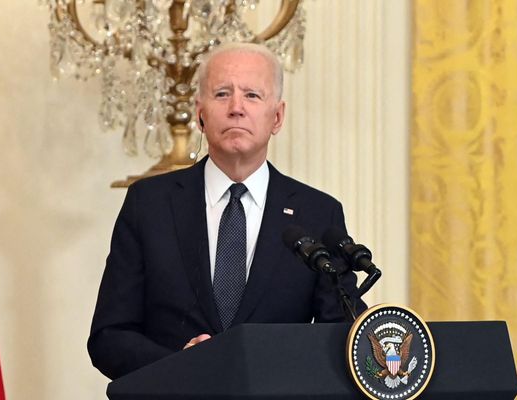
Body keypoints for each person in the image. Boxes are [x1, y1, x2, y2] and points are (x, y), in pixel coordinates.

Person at [87, 43, 367, 380]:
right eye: (222, 94)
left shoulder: (318, 214)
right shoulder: (148, 204)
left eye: (252, 95)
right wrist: (179, 365)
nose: (236, 108)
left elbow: (341, 337)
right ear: (200, 114)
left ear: (277, 117)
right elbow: (109, 337)